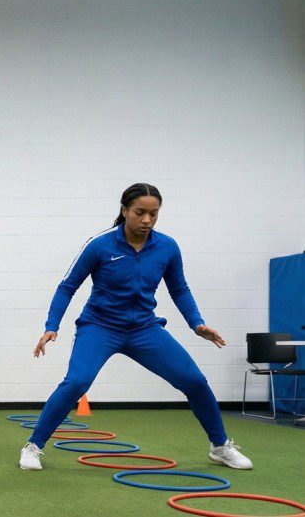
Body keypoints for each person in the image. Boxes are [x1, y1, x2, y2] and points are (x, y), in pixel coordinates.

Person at [19, 183, 252, 471]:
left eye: (154, 214)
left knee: (194, 381)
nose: (147, 220)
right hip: (100, 327)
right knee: (77, 382)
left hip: (144, 329)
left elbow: (179, 289)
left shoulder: (167, 247)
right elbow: (67, 287)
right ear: (124, 210)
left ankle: (220, 446)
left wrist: (197, 323)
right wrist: (51, 326)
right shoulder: (100, 244)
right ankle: (33, 446)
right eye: (140, 213)